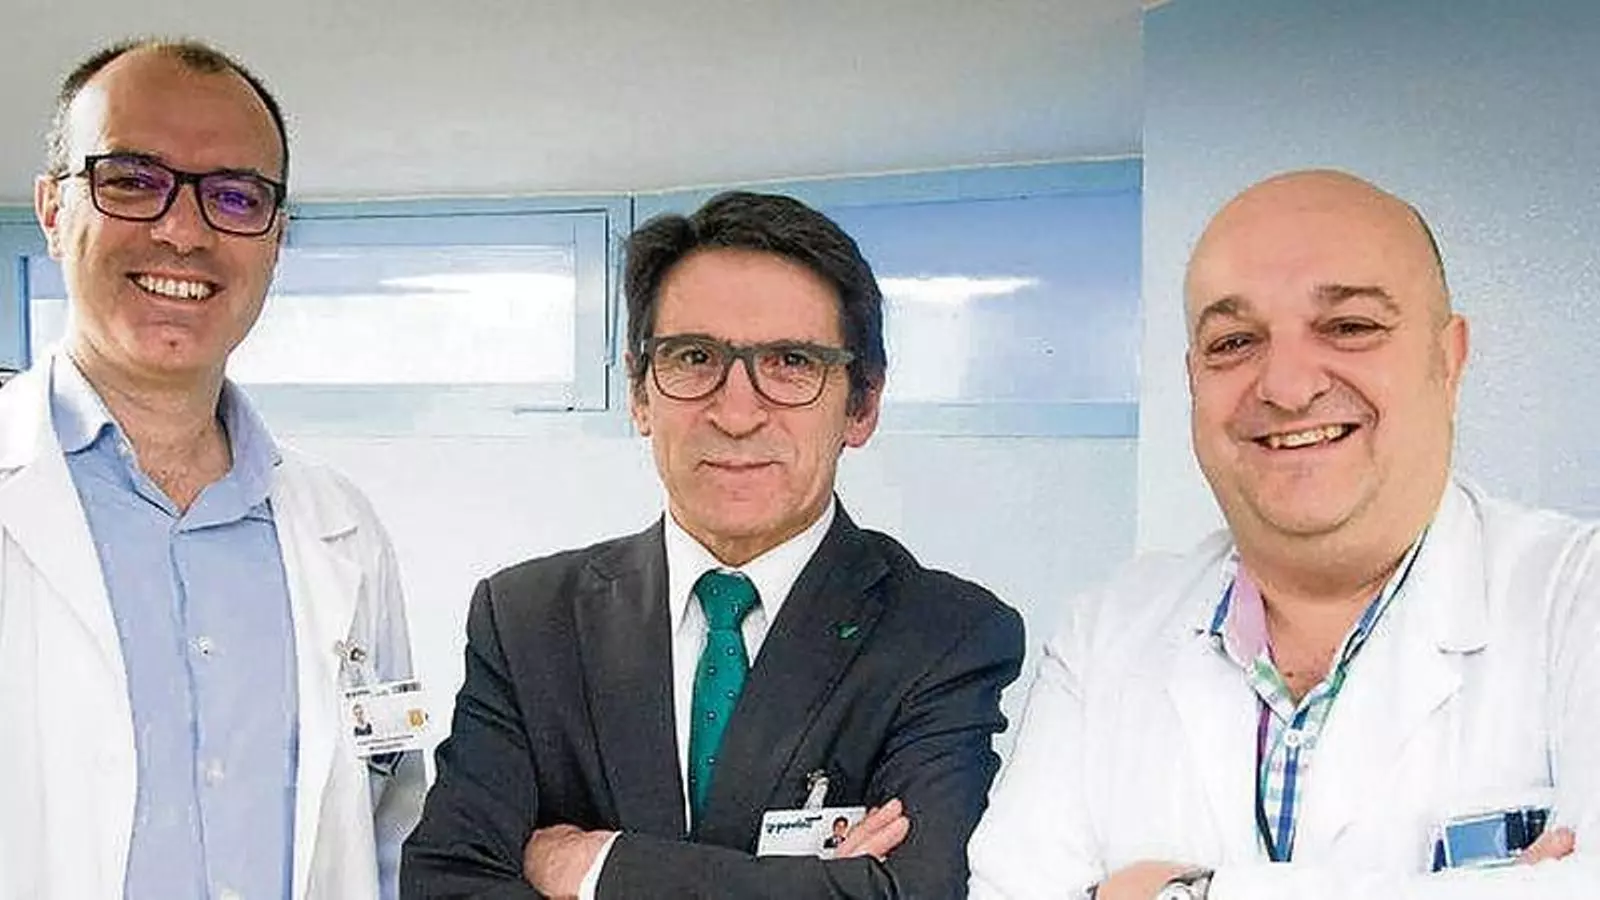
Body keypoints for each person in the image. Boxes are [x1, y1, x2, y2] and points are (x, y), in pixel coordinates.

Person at [966, 169, 1599, 899]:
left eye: (1350, 327)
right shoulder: (1106, 634)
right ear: (1193, 381)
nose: (1288, 387)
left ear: (1448, 360)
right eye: (1234, 342)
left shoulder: (1576, 598)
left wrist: (1192, 895)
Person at [402, 191, 1024, 898]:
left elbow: (916, 893)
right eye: (695, 357)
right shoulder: (527, 619)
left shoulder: (945, 636)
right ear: (640, 394)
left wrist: (598, 867)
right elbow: (446, 883)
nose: (735, 412)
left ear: (862, 404)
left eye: (791, 362)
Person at [0, 39, 423, 899]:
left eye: (235, 196)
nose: (184, 231)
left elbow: (392, 814)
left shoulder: (343, 530)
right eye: (131, 180)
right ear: (52, 210)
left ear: (276, 238)